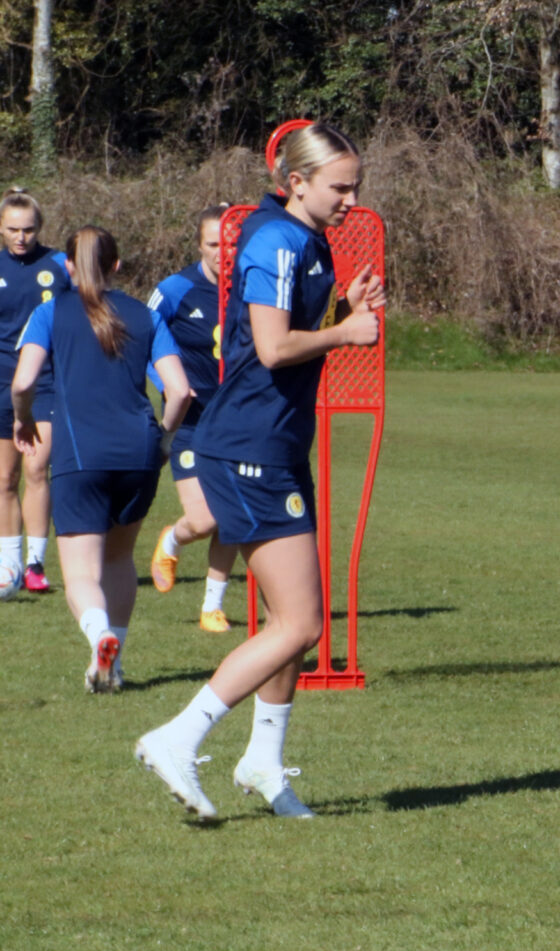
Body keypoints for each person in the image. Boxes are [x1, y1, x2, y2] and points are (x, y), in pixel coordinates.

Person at [133, 124, 385, 822]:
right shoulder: (276, 240)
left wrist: (342, 310)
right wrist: (344, 332)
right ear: (296, 181)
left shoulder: (306, 239)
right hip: (247, 447)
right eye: (340, 186)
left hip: (273, 446)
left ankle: (264, 764)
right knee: (301, 623)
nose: (352, 198)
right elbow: (272, 349)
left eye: (356, 185)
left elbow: (268, 338)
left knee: (287, 620)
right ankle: (177, 736)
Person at [10, 226, 191, 690]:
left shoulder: (50, 312)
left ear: (66, 267)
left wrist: (22, 419)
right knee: (118, 559)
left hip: (80, 453)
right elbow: (180, 391)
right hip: (139, 452)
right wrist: (165, 440)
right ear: (116, 266)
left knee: (80, 572)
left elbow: (24, 382)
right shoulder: (145, 316)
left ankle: (99, 635)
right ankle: (115, 663)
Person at [147, 205, 244, 628]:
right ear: (199, 244)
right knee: (206, 518)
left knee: (233, 516)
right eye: (214, 244)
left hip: (239, 421)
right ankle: (171, 538)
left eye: (232, 244)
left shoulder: (253, 285)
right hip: (191, 420)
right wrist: (166, 383)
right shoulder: (175, 289)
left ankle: (211, 606)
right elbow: (142, 338)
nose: (224, 253)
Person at [0, 190, 71, 598]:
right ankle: (9, 562)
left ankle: (35, 563)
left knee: (35, 469)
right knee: (6, 477)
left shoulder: (60, 264)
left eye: (28, 230)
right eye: (13, 230)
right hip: (1, 386)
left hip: (45, 381)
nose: (21, 237)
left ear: (39, 228)